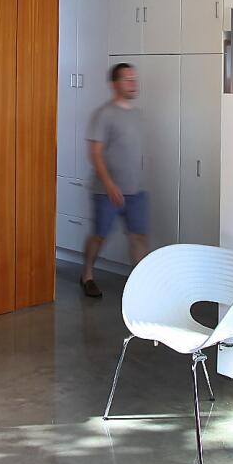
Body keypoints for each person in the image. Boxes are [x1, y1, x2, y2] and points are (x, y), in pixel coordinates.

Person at [80, 63, 147, 298]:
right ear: (115, 84)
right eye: (128, 79)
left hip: (135, 190)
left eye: (134, 79)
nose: (133, 83)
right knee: (99, 235)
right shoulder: (104, 114)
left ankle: (142, 284)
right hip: (106, 190)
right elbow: (95, 153)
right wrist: (109, 184)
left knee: (138, 236)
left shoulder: (137, 114)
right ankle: (87, 275)